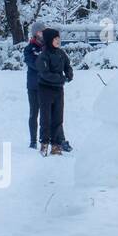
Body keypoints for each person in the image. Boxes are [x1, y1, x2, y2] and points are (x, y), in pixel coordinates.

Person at [35, 27, 74, 156]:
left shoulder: (61, 53)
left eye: (59, 38)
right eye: (55, 39)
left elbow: (68, 65)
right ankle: (44, 143)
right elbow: (45, 74)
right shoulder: (43, 56)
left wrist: (69, 74)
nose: (58, 41)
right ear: (49, 40)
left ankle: (56, 144)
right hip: (45, 89)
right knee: (46, 118)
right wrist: (61, 78)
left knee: (58, 117)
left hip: (58, 89)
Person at [22, 21, 46, 150]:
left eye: (43, 30)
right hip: (33, 86)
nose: (42, 33)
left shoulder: (48, 47)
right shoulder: (29, 49)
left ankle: (45, 139)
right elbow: (34, 65)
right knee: (34, 113)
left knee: (46, 115)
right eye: (39, 31)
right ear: (35, 33)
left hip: (46, 86)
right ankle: (33, 140)